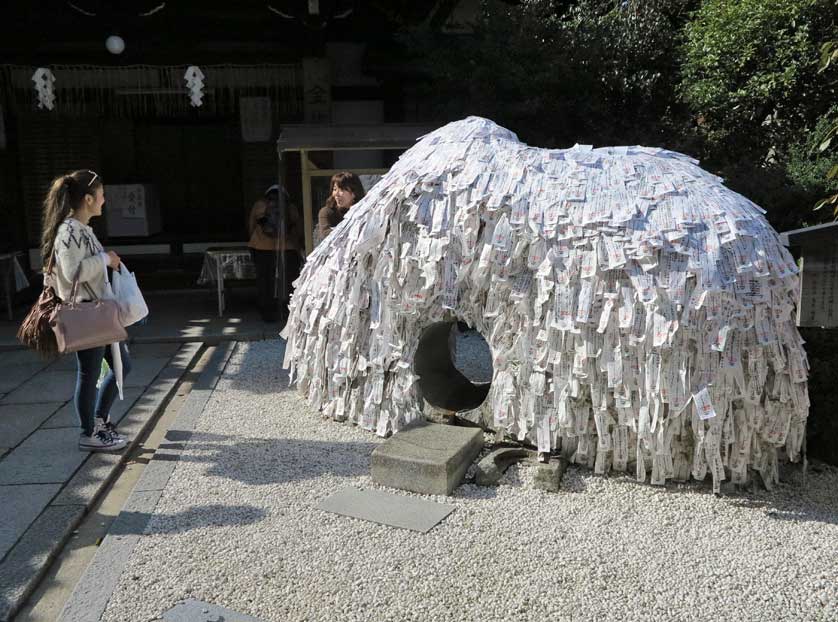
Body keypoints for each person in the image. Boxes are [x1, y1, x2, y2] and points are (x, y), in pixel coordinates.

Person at [41, 169, 131, 452]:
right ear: (89, 199)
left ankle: (99, 422)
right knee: (89, 372)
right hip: (85, 312)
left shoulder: (81, 230)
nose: (104, 201)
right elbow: (72, 273)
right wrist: (104, 258)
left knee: (121, 366)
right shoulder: (69, 231)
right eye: (102, 195)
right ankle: (89, 431)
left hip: (97, 311)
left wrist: (106, 261)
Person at [247, 184, 304, 323]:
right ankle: (288, 310)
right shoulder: (290, 207)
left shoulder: (259, 205)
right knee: (289, 279)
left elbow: (251, 225)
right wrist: (297, 244)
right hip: (287, 247)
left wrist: (253, 240)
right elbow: (298, 228)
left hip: (261, 247)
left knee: (264, 280)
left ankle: (266, 311)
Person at [317, 171, 365, 241]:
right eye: (335, 189)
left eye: (341, 189)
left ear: (354, 193)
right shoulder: (327, 212)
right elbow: (325, 234)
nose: (336, 194)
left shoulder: (363, 211)